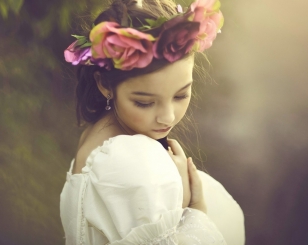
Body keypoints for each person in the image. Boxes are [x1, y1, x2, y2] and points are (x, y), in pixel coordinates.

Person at [60, 0, 245, 244]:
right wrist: (194, 207)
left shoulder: (98, 136)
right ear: (105, 84)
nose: (167, 117)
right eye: (144, 103)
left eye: (181, 95)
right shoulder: (135, 161)